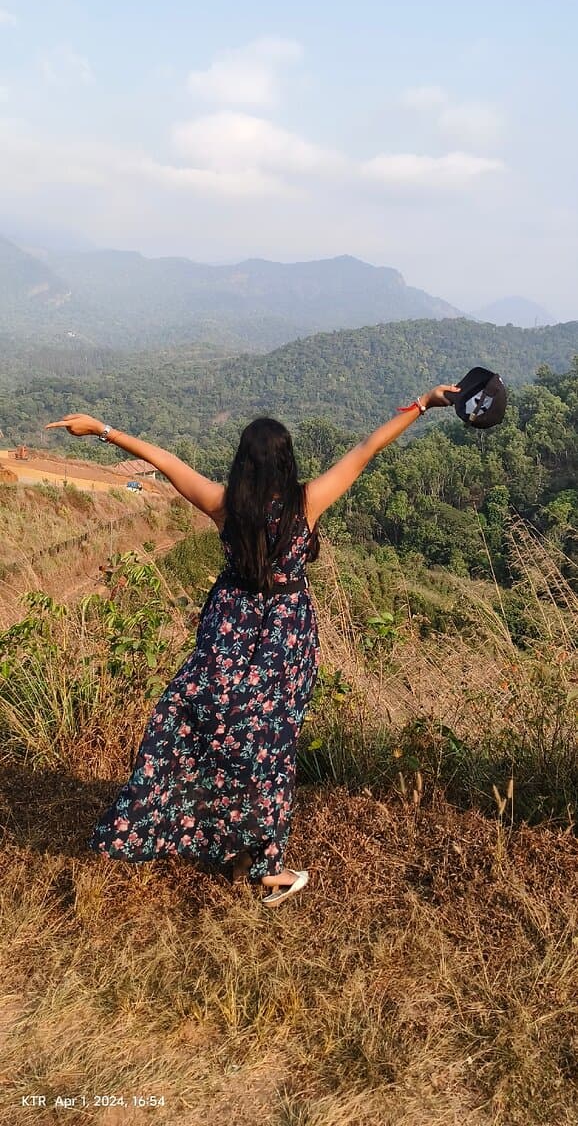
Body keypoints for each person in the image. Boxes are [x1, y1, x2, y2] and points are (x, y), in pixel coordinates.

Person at [46, 384, 458, 908]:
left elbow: (164, 459)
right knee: (269, 745)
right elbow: (367, 448)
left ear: (242, 462)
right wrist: (423, 404)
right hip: (285, 634)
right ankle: (263, 863)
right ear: (287, 463)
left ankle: (202, 833)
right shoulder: (306, 505)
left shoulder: (224, 505)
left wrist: (102, 429)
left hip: (229, 624)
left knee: (198, 723)